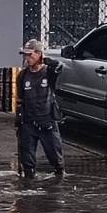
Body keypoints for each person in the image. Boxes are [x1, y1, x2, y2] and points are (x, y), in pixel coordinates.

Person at [15, 38, 65, 178]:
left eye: (30, 54)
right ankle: (28, 183)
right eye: (25, 55)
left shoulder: (49, 72)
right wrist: (19, 118)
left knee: (56, 158)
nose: (27, 58)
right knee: (27, 160)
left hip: (47, 120)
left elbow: (60, 67)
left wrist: (48, 60)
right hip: (29, 122)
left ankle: (58, 183)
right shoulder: (22, 75)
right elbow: (20, 99)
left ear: (39, 54)